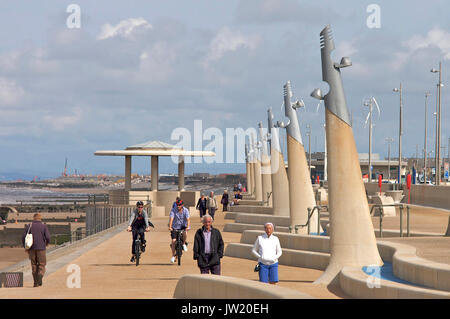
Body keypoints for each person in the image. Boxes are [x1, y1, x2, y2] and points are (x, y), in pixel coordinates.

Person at [21, 213, 50, 287]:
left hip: (31, 248)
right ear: (40, 218)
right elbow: (48, 237)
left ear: (33, 218)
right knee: (42, 264)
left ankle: (35, 283)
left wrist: (25, 247)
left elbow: (23, 237)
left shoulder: (29, 226)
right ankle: (40, 274)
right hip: (41, 248)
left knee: (33, 265)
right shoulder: (44, 226)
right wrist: (46, 243)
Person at [168, 199, 191, 263]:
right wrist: (170, 227)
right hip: (175, 227)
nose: (178, 206)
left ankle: (183, 243)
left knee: (185, 233)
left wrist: (188, 227)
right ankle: (173, 256)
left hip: (183, 226)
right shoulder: (173, 210)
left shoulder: (186, 210)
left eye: (180, 205)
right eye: (177, 205)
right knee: (173, 241)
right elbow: (171, 219)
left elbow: (188, 219)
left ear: (182, 205)